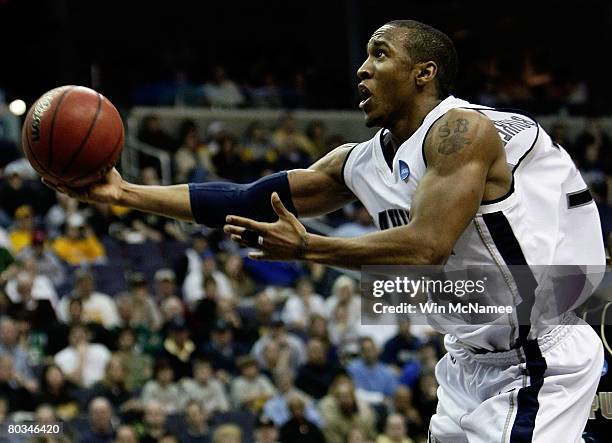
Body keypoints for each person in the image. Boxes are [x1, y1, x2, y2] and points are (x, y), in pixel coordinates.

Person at [47, 19, 606, 442]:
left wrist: (312, 247)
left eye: (379, 54)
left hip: (535, 355)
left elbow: (427, 245)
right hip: (465, 357)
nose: (361, 69)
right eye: (363, 56)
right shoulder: (359, 162)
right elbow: (248, 198)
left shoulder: (461, 131)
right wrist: (124, 194)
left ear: (423, 73)